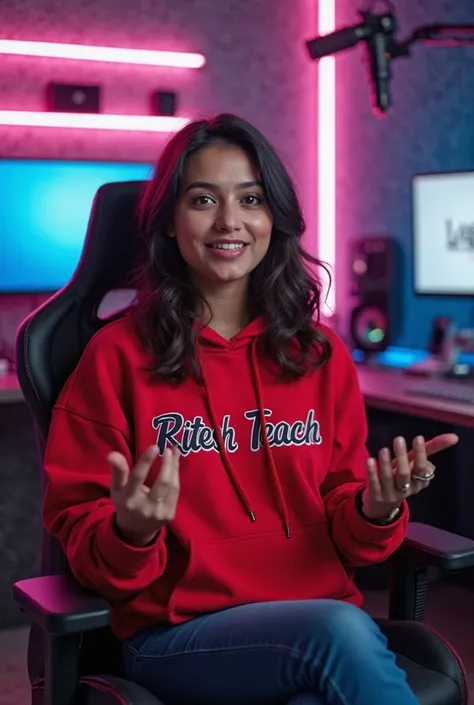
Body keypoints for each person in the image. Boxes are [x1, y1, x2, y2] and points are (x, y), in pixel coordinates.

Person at [43, 113, 458, 705]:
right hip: (178, 637)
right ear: (168, 221)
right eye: (203, 199)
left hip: (315, 627)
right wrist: (130, 530)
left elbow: (355, 540)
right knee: (338, 634)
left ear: (274, 217)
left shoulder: (318, 354)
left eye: (251, 199)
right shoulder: (115, 358)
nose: (229, 221)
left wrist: (375, 507)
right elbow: (86, 553)